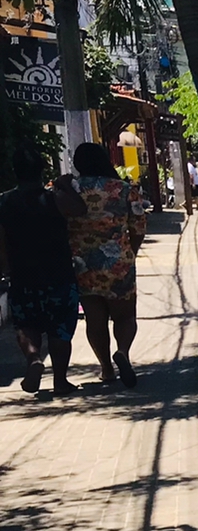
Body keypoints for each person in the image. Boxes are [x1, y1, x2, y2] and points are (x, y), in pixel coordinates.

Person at [0, 148, 86, 394]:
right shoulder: (54, 199)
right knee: (60, 329)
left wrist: (5, 268)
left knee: (26, 324)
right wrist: (65, 185)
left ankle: (34, 359)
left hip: (22, 275)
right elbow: (80, 209)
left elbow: (1, 241)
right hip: (59, 272)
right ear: (42, 170)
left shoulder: (4, 202)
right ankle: (60, 381)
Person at [68, 143, 141, 389]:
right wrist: (130, 252)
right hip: (118, 261)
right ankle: (122, 351)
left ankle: (106, 369)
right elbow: (139, 227)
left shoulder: (70, 189)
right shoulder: (124, 189)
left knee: (94, 319)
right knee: (125, 315)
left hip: (82, 264)